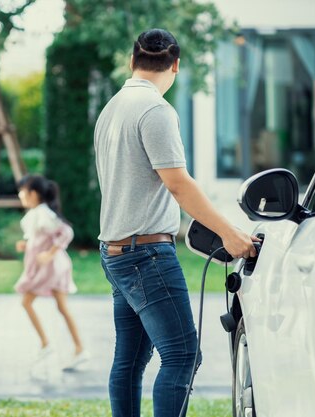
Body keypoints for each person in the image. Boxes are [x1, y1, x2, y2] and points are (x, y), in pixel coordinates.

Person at [94, 29, 259, 417]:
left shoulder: (112, 108)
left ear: (132, 61)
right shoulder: (156, 111)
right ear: (176, 66)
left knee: (130, 360)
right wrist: (229, 232)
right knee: (182, 354)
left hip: (115, 252)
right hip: (145, 255)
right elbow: (178, 184)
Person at [14, 174, 90, 370]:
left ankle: (55, 345)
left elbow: (66, 231)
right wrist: (28, 246)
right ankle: (71, 348)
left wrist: (50, 253)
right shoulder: (38, 214)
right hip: (49, 268)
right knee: (57, 307)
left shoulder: (43, 213)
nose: (20, 194)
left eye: (23, 190)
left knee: (32, 302)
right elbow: (42, 237)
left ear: (34, 194)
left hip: (53, 268)